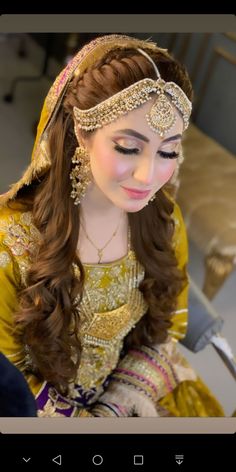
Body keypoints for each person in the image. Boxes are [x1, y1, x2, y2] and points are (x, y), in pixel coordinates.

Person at [0, 34, 224, 417]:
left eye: (168, 150)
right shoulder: (11, 245)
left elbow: (168, 324)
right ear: (80, 133)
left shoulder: (164, 222)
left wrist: (122, 400)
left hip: (139, 388)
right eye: (128, 147)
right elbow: (8, 382)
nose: (148, 175)